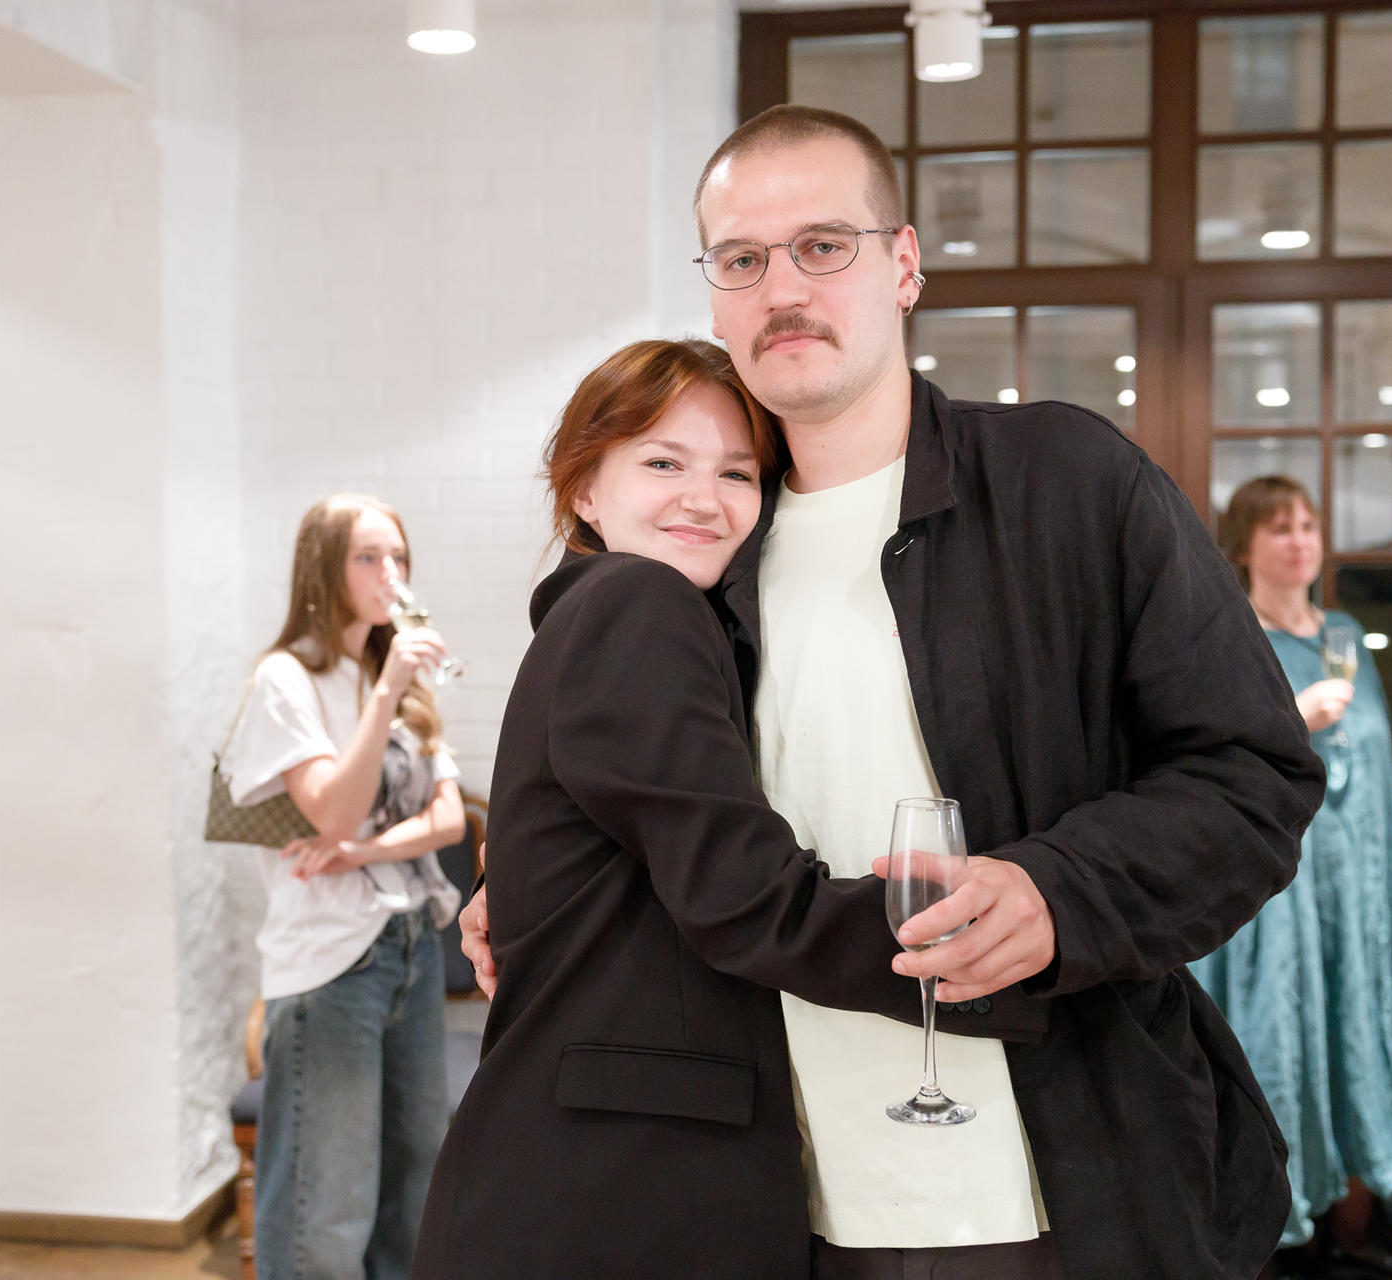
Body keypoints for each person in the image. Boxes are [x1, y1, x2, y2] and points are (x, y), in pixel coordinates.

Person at [465, 104, 1326, 1280]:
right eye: (742, 258)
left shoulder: (1068, 482)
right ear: (714, 294)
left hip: (1059, 1185)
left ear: (904, 264)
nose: (783, 287)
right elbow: (660, 805)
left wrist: (1058, 890)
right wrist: (523, 877)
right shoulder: (700, 564)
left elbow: (1253, 772)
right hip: (769, 1200)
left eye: (824, 245)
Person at [412, 338, 1046, 1280]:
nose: (703, 499)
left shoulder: (623, 614)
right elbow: (744, 897)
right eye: (663, 464)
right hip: (615, 1186)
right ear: (584, 490)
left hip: (592, 1168)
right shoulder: (639, 603)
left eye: (737, 473)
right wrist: (980, 950)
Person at [1190, 476, 1392, 1280]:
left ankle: (1357, 1240)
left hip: (1358, 881)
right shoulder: (1231, 636)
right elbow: (1208, 759)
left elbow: (1379, 765)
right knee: (1284, 1040)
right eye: (1279, 528)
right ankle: (1279, 1243)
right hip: (1280, 886)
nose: (1299, 541)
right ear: (1243, 546)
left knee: (1361, 1031)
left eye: (1307, 525)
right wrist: (1296, 719)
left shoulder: (1345, 634)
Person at [220, 494, 466, 1280]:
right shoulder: (288, 679)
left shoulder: (396, 679)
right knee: (325, 1206)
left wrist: (360, 854)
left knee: (414, 1184)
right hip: (332, 966)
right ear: (323, 569)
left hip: (411, 943)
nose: (391, 574)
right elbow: (332, 810)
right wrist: (387, 691)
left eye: (399, 557)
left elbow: (450, 820)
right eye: (368, 557)